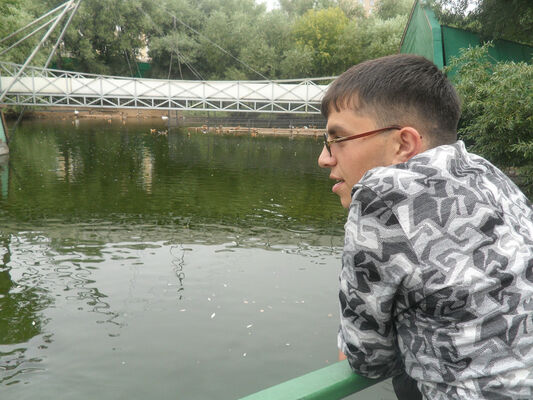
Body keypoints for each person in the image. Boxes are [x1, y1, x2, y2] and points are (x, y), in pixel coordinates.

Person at [317, 54, 533, 400]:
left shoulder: (380, 194)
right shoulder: (485, 172)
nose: (324, 158)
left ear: (403, 144)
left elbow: (368, 359)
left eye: (338, 138)